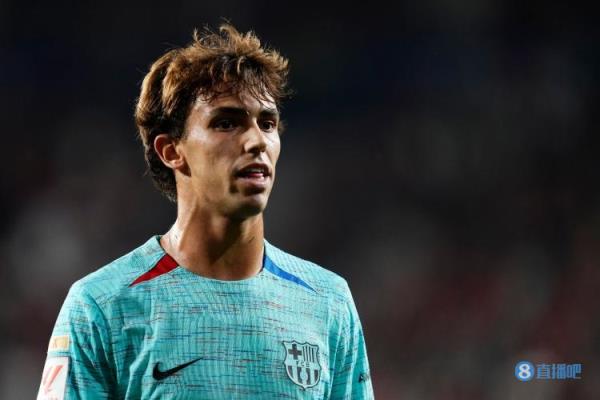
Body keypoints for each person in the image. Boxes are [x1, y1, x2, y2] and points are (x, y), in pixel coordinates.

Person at [37, 24, 374, 399]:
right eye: (226, 123)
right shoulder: (101, 307)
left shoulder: (328, 302)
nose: (256, 141)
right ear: (171, 151)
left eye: (267, 123)